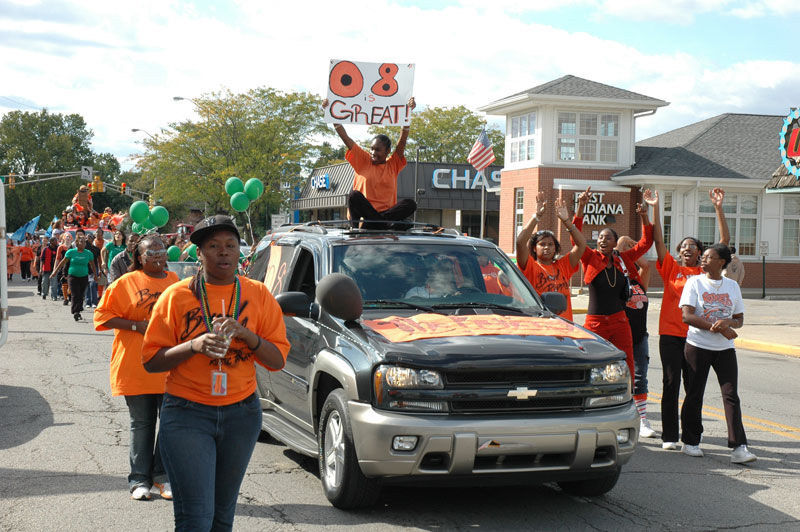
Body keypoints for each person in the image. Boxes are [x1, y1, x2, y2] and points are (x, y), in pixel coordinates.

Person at [142, 215, 290, 531]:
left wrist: (248, 336)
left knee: (222, 518)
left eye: (230, 245)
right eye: (213, 246)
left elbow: (277, 360)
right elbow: (152, 361)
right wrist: (193, 345)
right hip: (187, 414)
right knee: (196, 519)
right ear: (200, 253)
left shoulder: (259, 295)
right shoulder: (176, 296)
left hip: (242, 414)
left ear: (240, 251)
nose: (223, 252)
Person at [94, 234, 180, 500]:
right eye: (150, 253)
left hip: (169, 366)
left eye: (160, 252)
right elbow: (102, 316)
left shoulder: (176, 282)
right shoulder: (126, 283)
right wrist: (136, 325)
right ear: (139, 258)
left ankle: (162, 476)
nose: (156, 257)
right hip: (136, 366)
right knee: (141, 424)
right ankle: (139, 480)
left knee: (169, 425)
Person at [654, 187, 729, 450]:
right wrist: (656, 206)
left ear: (701, 254)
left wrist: (718, 208)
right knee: (671, 384)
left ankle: (691, 437)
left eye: (693, 246)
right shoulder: (670, 268)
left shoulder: (704, 272)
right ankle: (669, 437)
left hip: (696, 338)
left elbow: (724, 243)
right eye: (684, 246)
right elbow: (658, 242)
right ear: (679, 251)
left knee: (693, 387)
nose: (688, 249)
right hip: (670, 336)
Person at [679, 244, 756, 464]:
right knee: (695, 393)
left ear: (722, 262)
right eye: (702, 257)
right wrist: (721, 327)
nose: (703, 260)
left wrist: (730, 322)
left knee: (731, 396)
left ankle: (739, 447)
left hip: (725, 350)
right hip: (697, 346)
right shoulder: (694, 282)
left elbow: (739, 319)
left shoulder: (732, 286)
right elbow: (687, 316)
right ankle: (690, 442)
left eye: (708, 257)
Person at [578, 194, 655, 378]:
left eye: (607, 238)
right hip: (595, 323)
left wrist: (644, 216)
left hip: (620, 322)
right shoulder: (590, 257)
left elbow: (646, 243)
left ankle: (627, 398)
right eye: (600, 238)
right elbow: (576, 239)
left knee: (626, 362)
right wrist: (581, 207)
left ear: (615, 243)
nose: (602, 240)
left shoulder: (623, 259)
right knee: (593, 364)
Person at [324, 97, 417, 228]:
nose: (373, 153)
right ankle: (382, 224)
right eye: (372, 149)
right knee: (354, 195)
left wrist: (407, 113)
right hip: (365, 215)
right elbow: (345, 138)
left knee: (411, 204)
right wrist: (331, 113)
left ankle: (380, 222)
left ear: (387, 151)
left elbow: (402, 142)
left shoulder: (393, 164)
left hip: (383, 215)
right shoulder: (363, 160)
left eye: (378, 150)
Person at [615, 189, 658, 438]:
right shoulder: (615, 279)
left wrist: (633, 245)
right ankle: (621, 419)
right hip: (619, 336)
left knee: (641, 378)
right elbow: (621, 257)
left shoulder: (640, 280)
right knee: (621, 379)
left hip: (640, 336)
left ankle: (642, 420)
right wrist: (622, 245)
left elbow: (645, 262)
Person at [515, 193, 586, 320]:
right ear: (534, 249)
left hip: (565, 326)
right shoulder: (530, 266)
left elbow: (581, 245)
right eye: (542, 244)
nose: (546, 247)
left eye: (550, 244)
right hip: (539, 325)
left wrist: (566, 221)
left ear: (555, 248)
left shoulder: (563, 265)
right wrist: (536, 216)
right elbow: (520, 242)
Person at [51, 230, 97, 321]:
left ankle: (78, 309)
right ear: (76, 243)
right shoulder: (71, 252)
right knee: (75, 294)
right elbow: (62, 262)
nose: (83, 244)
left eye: (84, 242)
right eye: (81, 242)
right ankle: (76, 312)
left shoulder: (88, 253)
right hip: (73, 276)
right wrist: (55, 271)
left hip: (84, 276)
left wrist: (95, 275)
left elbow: (93, 265)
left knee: (81, 295)